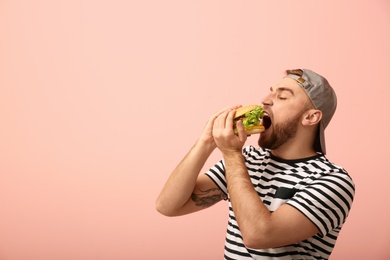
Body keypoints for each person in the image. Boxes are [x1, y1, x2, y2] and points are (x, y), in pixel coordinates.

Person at [156, 69, 355, 259]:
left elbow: (258, 235)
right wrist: (206, 143)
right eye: (270, 93)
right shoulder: (248, 160)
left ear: (310, 117)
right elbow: (168, 206)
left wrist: (232, 154)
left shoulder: (332, 180)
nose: (265, 101)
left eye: (282, 97)